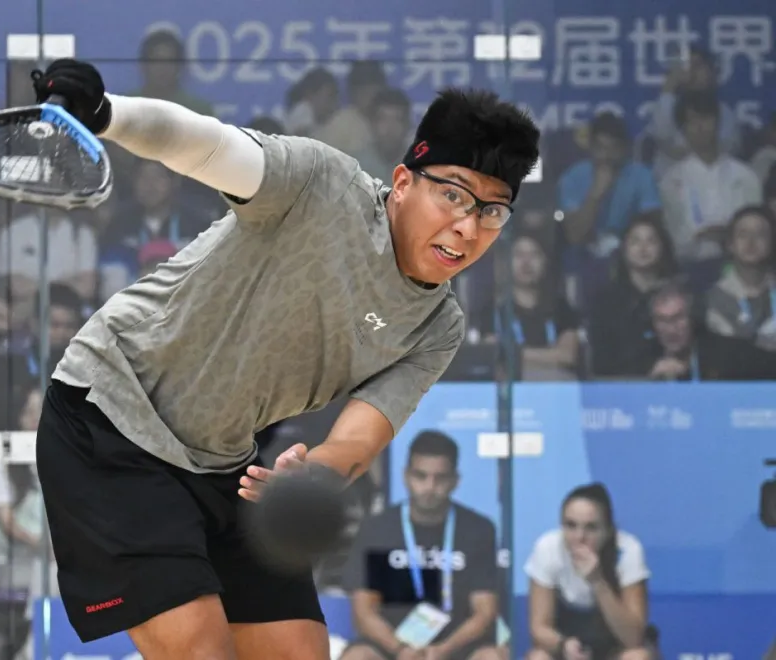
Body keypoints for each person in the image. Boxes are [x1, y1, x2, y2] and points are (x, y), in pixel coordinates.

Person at [30, 59, 540, 660]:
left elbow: (355, 443)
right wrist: (108, 114)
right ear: (404, 181)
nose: (467, 225)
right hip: (110, 417)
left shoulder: (437, 326)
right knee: (201, 651)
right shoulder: (320, 183)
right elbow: (205, 144)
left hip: (227, 462)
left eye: (492, 210)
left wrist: (313, 473)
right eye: (452, 193)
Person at [341, 431, 501, 660]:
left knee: (491, 657)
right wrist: (401, 650)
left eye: (440, 478)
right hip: (392, 649)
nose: (429, 486)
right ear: (406, 476)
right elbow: (364, 612)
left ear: (455, 481)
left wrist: (441, 651)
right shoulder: (377, 529)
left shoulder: (478, 530)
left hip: (455, 649)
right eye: (421, 476)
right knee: (357, 657)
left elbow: (484, 613)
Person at [524, 484, 654, 660]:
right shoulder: (548, 548)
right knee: (538, 658)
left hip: (615, 648)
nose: (579, 537)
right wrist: (563, 645)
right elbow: (539, 628)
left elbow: (633, 638)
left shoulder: (628, 550)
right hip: (566, 646)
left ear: (608, 531)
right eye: (571, 526)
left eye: (591, 528)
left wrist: (598, 581)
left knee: (638, 657)